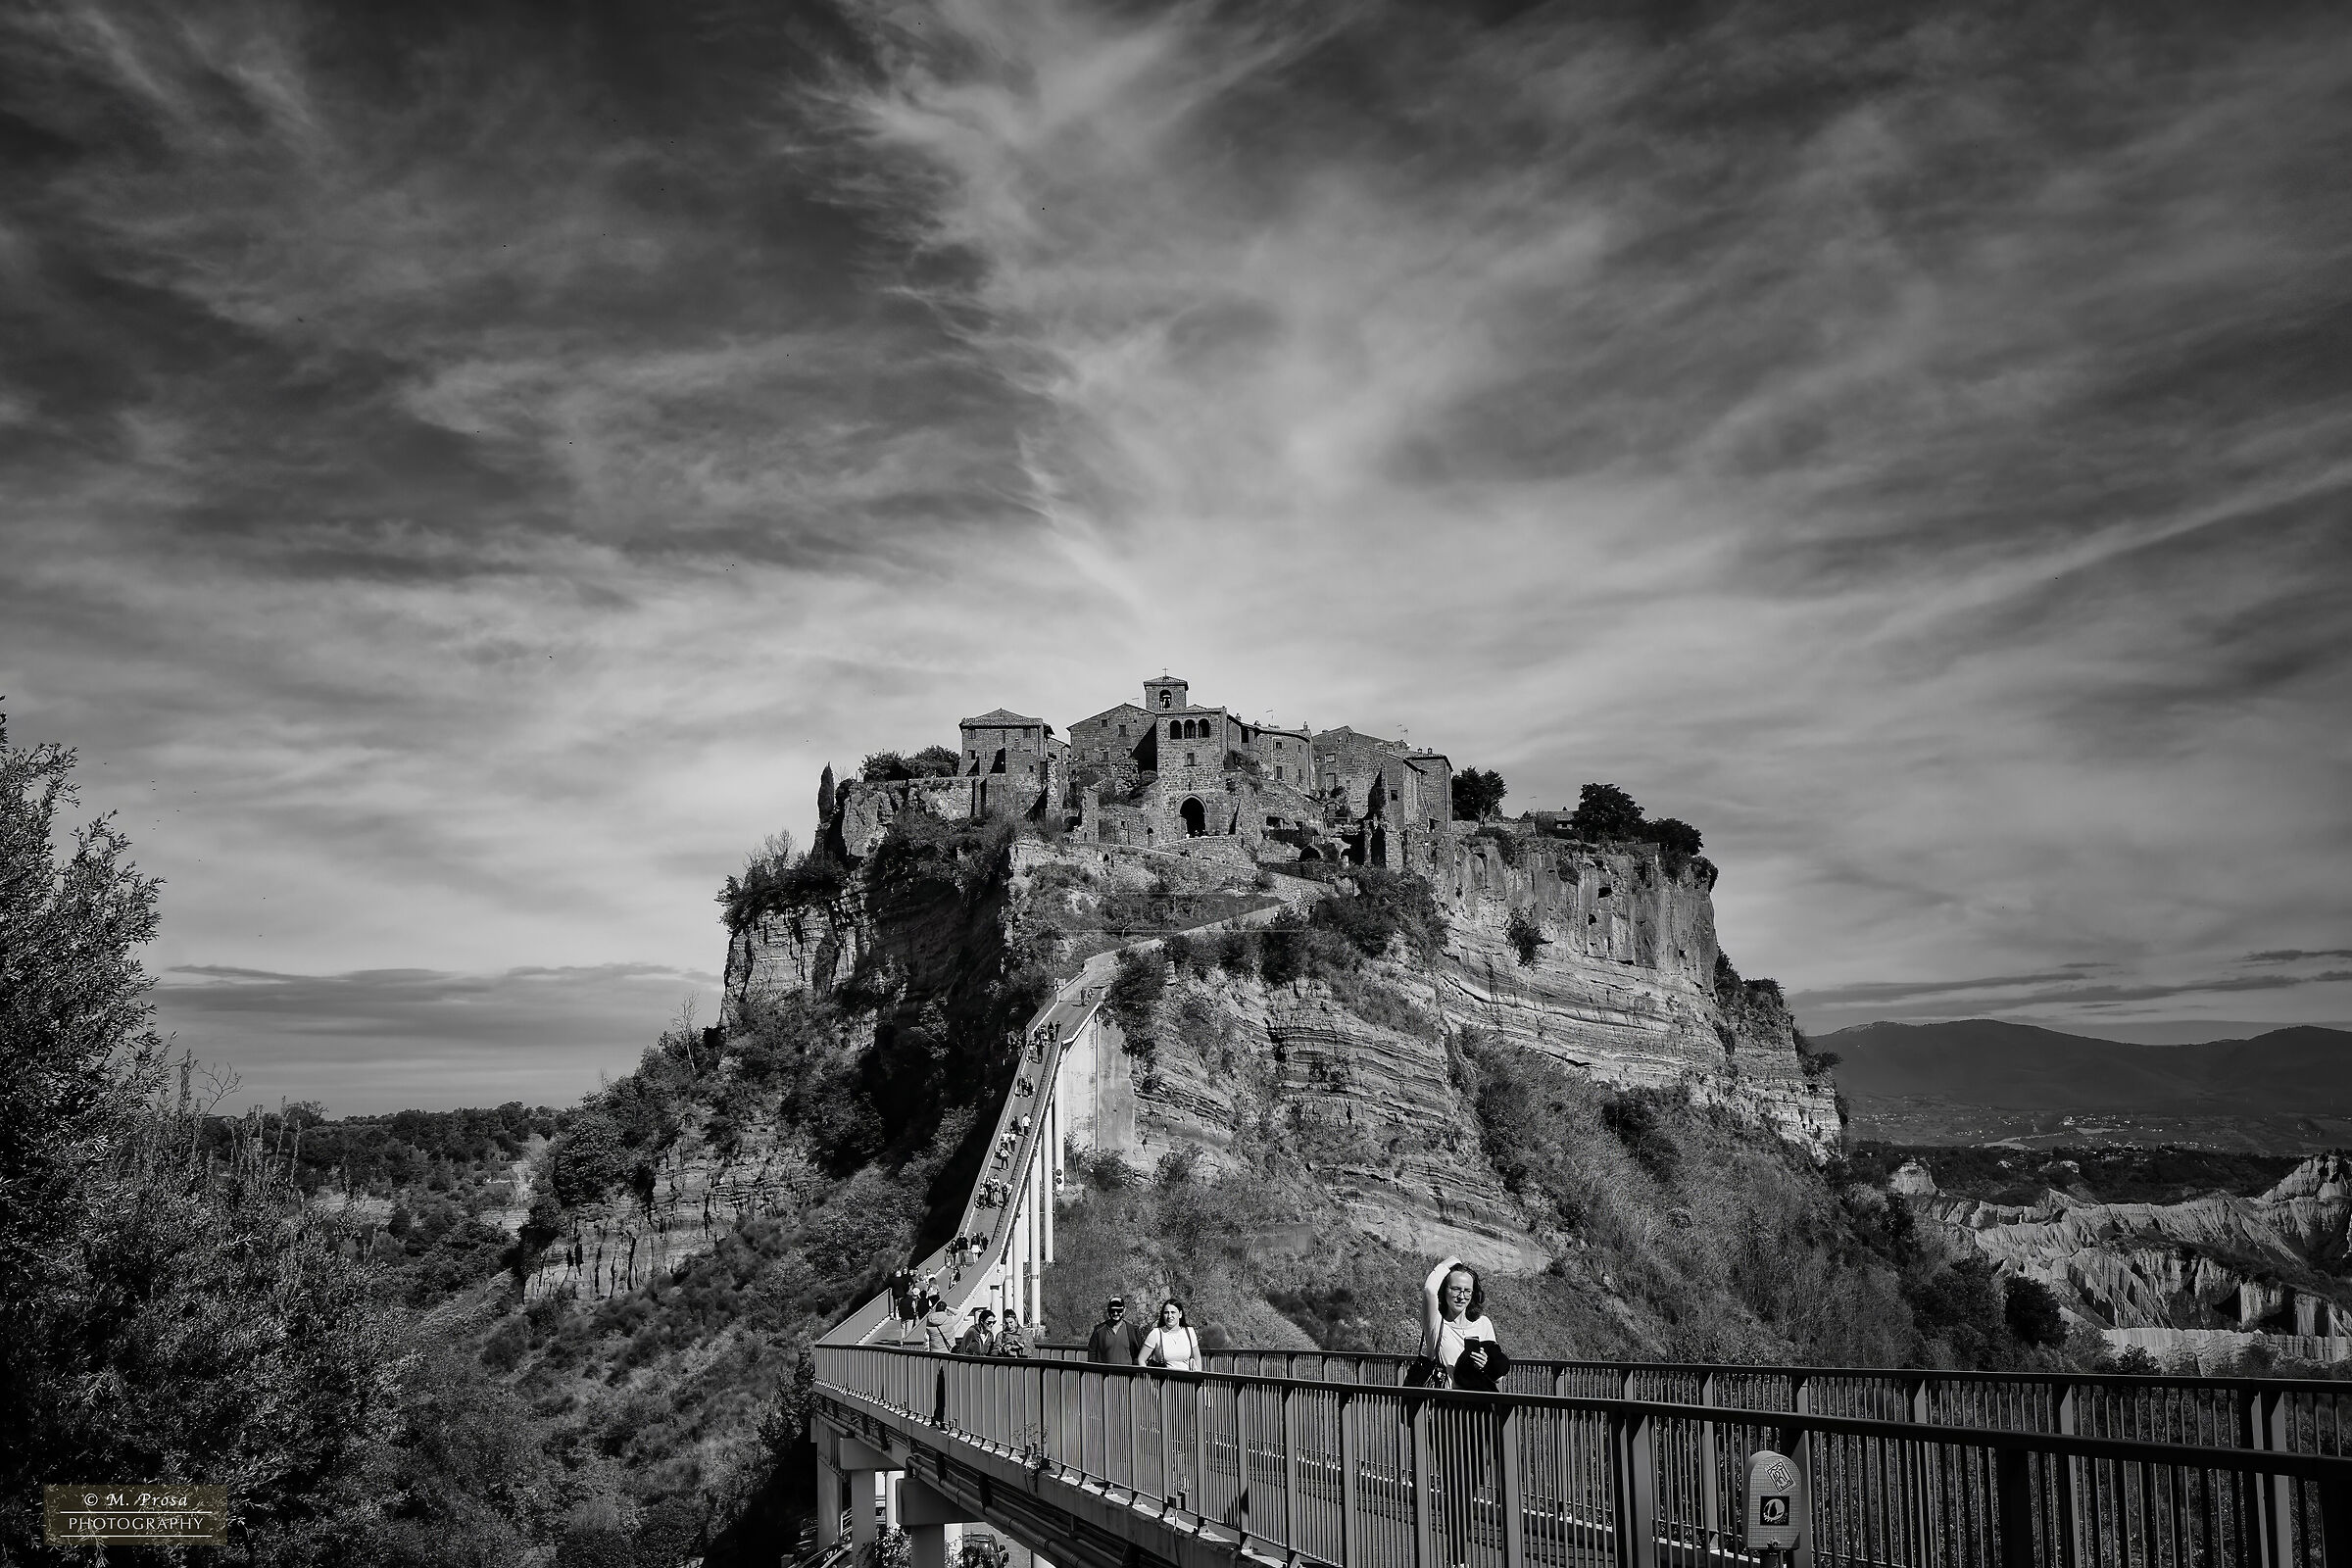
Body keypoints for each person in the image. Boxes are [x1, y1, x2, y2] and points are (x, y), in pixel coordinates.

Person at [1139, 1298, 1201, 1371]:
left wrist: (1198, 1377)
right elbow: (1141, 1359)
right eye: (1166, 1313)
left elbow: (1198, 1358)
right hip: (1165, 1381)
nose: (1169, 1316)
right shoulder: (1156, 1333)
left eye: (1173, 1312)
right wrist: (1147, 1378)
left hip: (1188, 1380)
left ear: (1180, 1314)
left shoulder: (1190, 1332)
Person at [1086, 1297, 1145, 1363]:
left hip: (1127, 1373)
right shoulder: (1099, 1330)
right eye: (1112, 1311)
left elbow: (1139, 1354)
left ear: (1124, 1310)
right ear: (1108, 1310)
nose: (1115, 1313)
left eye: (1119, 1310)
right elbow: (1092, 1353)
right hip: (1104, 1373)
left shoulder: (1133, 1330)